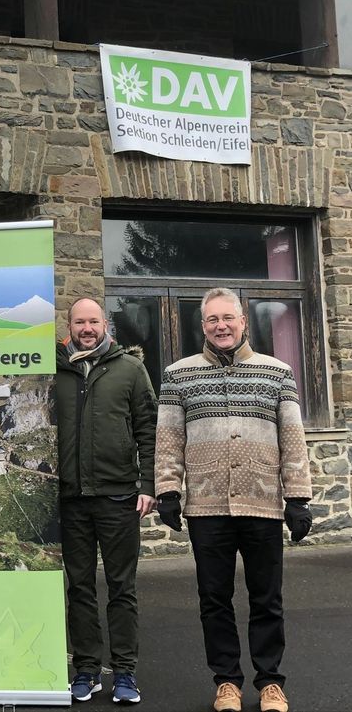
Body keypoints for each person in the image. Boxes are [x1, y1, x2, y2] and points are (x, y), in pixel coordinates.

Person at [155, 287, 312, 712]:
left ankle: (270, 682)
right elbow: (168, 439)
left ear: (243, 321)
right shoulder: (178, 375)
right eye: (212, 320)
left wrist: (297, 496)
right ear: (202, 325)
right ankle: (226, 680)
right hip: (206, 507)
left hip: (262, 503)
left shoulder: (278, 372)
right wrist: (167, 490)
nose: (221, 326)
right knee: (214, 598)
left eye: (228, 318)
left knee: (267, 597)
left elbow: (293, 439)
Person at [55, 297, 157, 705]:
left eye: (93, 321)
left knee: (122, 588)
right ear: (69, 325)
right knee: (78, 587)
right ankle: (86, 669)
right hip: (70, 499)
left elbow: (150, 429)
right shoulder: (53, 370)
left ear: (105, 324)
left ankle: (126, 673)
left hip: (119, 497)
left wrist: (148, 484)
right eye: (80, 321)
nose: (87, 328)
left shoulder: (131, 369)